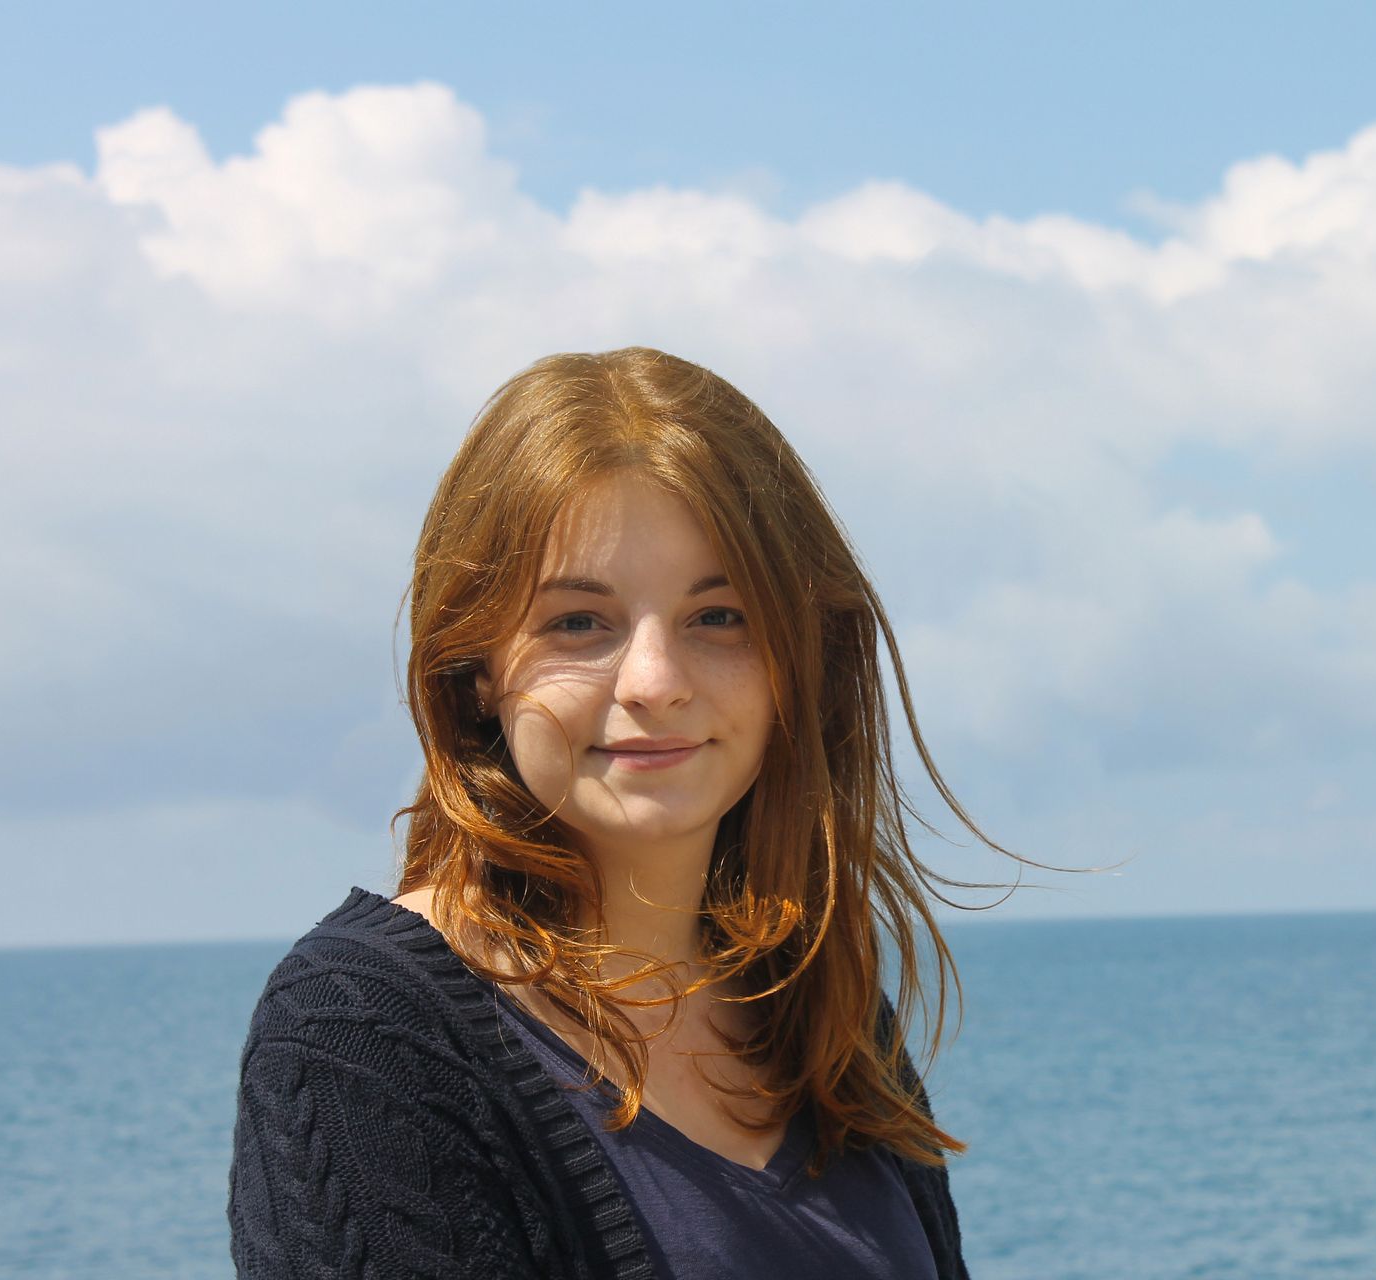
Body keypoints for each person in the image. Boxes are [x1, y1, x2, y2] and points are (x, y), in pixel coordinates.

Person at [229, 347, 1006, 1278]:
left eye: (719, 617)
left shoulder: (817, 1013)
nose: (656, 683)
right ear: (475, 668)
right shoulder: (363, 1038)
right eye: (578, 623)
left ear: (797, 659)